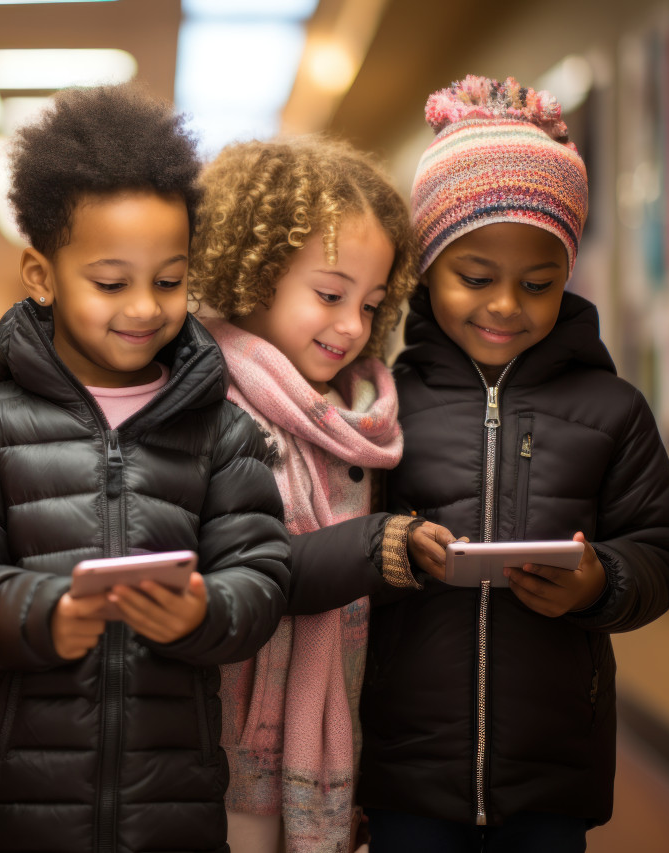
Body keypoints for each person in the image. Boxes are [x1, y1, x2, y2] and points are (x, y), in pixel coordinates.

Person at [0, 84, 292, 853]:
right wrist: (42, 612)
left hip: (175, 805)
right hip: (24, 807)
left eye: (169, 281)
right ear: (41, 276)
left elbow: (263, 572)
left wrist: (205, 610)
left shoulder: (222, 430)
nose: (144, 307)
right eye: (111, 282)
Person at [356, 75, 669, 852]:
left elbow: (659, 553)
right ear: (425, 270)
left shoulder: (613, 409)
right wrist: (396, 546)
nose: (506, 304)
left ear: (566, 276)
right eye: (475, 278)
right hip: (408, 763)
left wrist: (599, 580)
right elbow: (342, 539)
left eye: (537, 284)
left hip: (553, 769)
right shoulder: (383, 404)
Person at [189, 136, 422, 853]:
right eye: (329, 294)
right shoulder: (200, 398)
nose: (353, 325)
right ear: (255, 273)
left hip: (339, 730)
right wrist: (375, 548)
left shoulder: (368, 419)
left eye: (372, 302)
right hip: (220, 739)